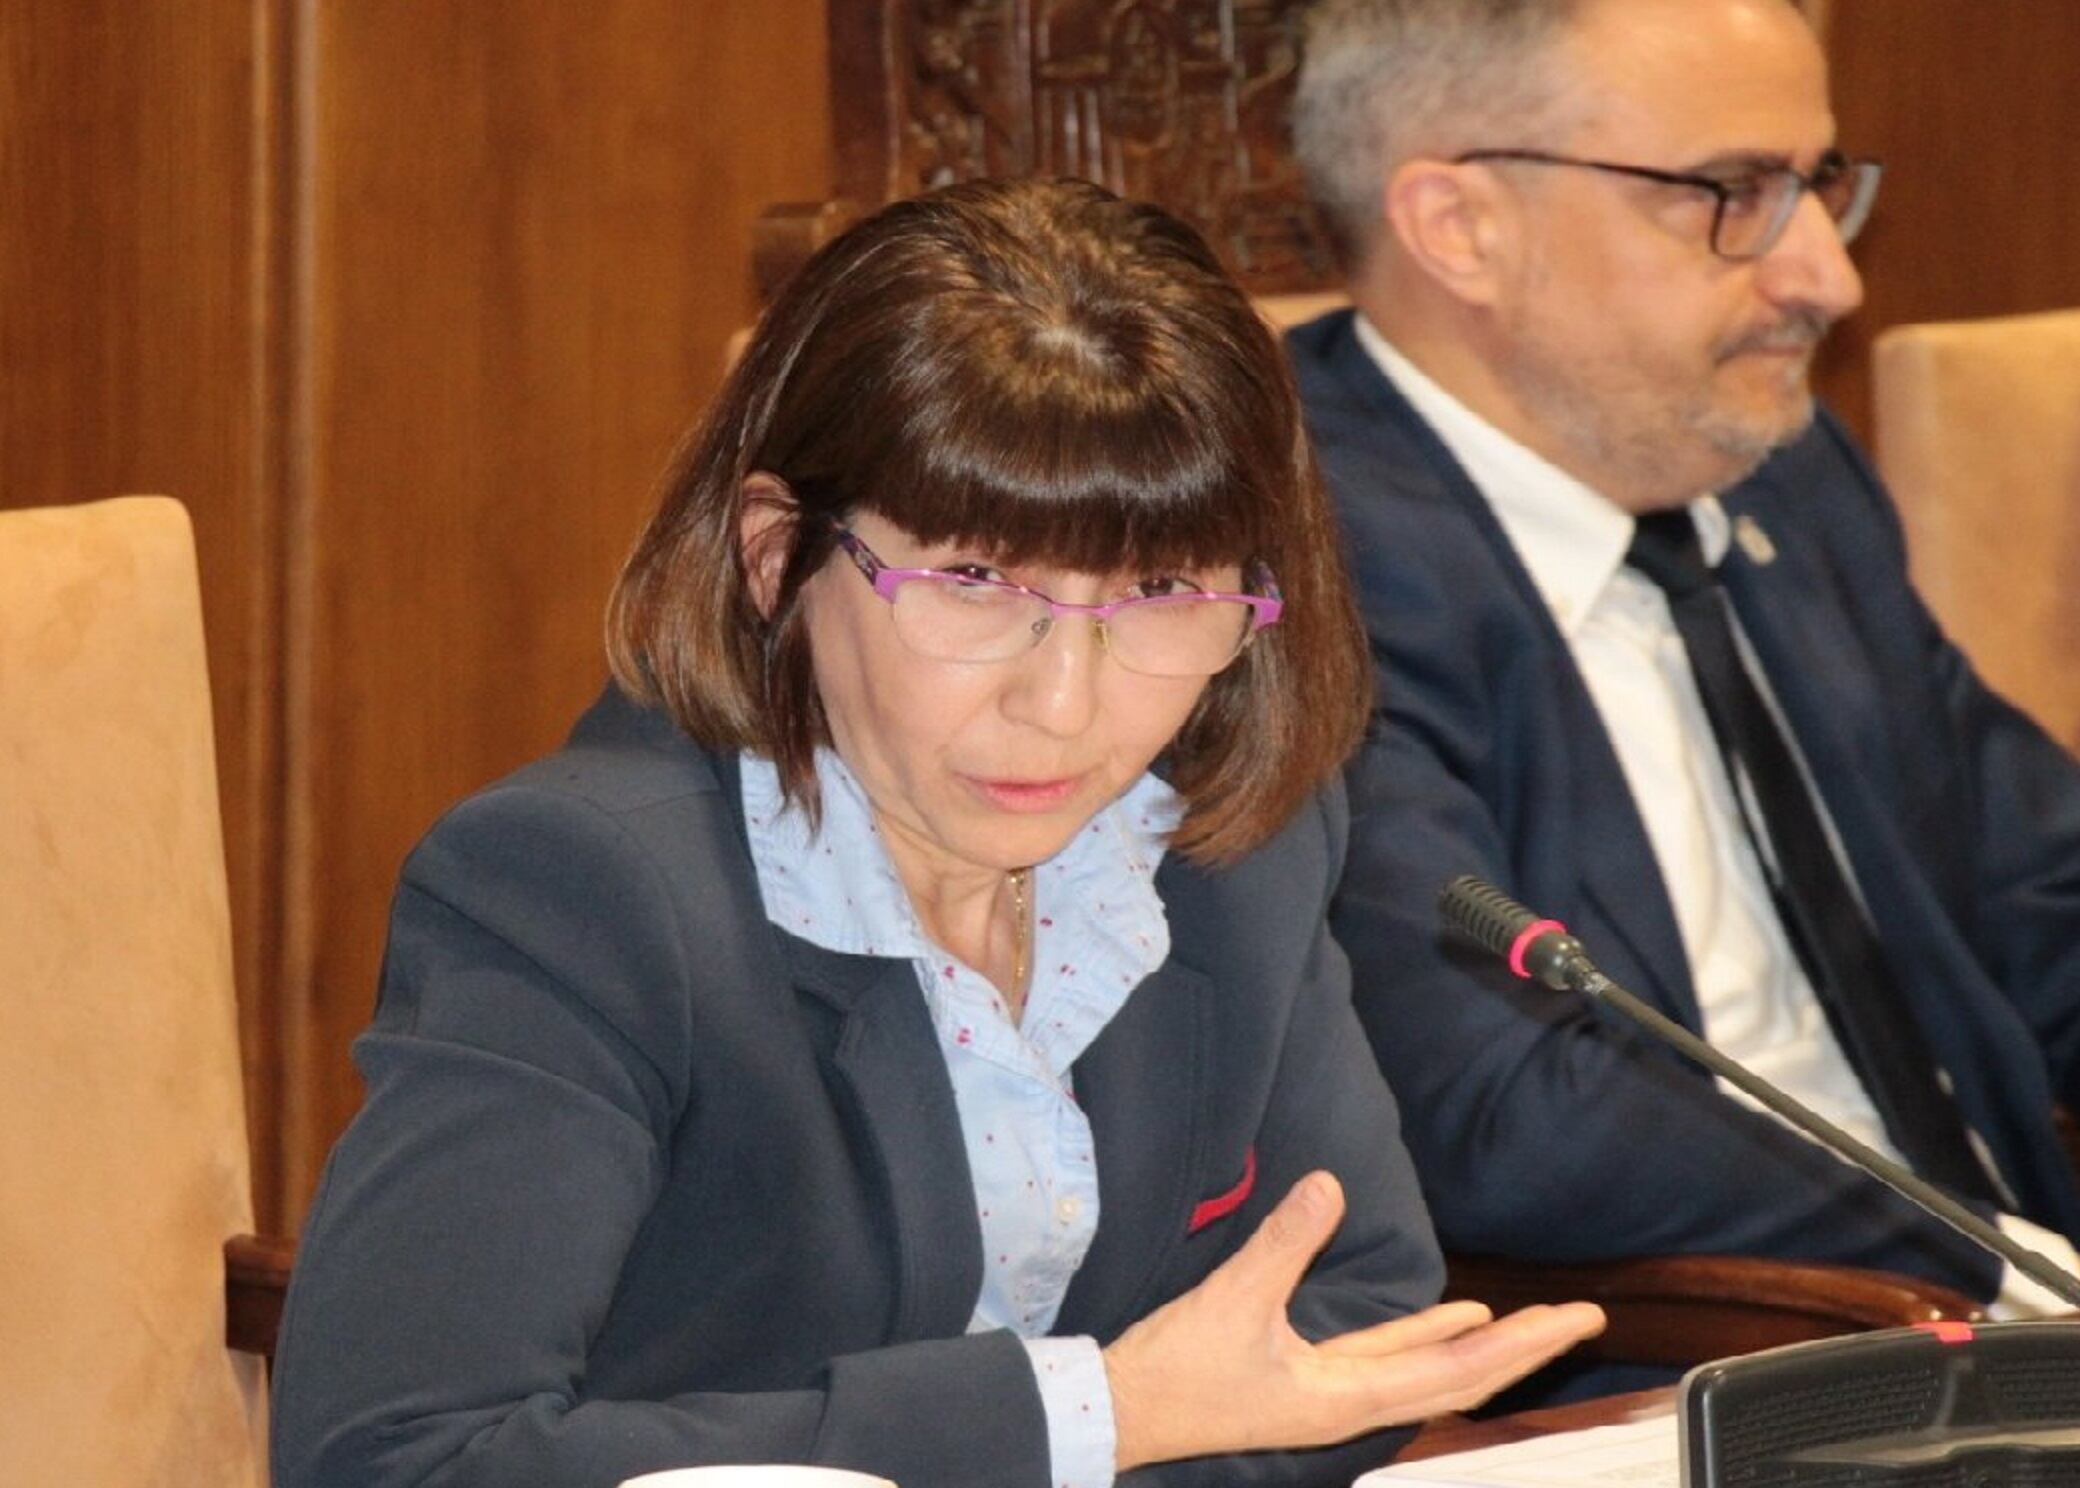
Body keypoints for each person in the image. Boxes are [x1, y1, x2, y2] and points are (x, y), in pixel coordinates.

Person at [268, 177, 1601, 1488]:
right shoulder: (582, 895)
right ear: (778, 555)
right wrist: (1097, 1417)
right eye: (975, 581)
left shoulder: (1226, 850)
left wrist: (1133, 1439)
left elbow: (1350, 1330)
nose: (1065, 706)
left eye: (1160, 591)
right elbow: (394, 1461)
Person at [1285, 0, 2080, 1361]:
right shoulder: (1277, 561)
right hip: (1683, 1376)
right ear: (1459, 226)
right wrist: (2023, 1284)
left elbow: (2057, 897)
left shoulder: (1777, 466)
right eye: (1732, 194)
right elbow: (1508, 1111)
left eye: (1817, 185)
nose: (1827, 276)